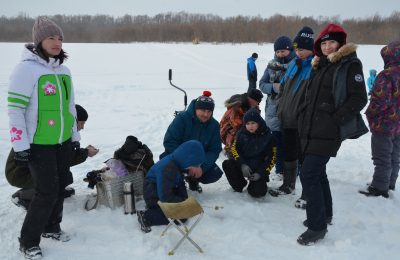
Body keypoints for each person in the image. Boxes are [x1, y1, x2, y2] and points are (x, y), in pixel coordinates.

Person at [7, 17, 81, 259]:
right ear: (38, 40)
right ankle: (28, 241)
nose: (57, 42)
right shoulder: (26, 70)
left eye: (59, 38)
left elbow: (70, 108)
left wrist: (74, 137)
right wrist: (20, 146)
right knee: (46, 191)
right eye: (51, 37)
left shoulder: (64, 71)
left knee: (60, 186)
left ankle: (52, 227)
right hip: (38, 143)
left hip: (61, 141)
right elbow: (15, 110)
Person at [296, 23, 368, 245]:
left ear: (341, 44)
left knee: (308, 174)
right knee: (318, 174)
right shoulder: (320, 66)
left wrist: (336, 119)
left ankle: (317, 227)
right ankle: (325, 214)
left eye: (332, 42)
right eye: (324, 43)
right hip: (311, 129)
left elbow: (359, 98)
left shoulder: (349, 65)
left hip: (328, 131)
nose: (327, 47)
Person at [6, 104, 99, 210]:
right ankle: (23, 196)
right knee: (58, 178)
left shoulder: (61, 129)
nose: (82, 127)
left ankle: (55, 192)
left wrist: (83, 151)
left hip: (32, 168)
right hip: (19, 173)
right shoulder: (53, 131)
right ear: (73, 120)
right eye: (81, 123)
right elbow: (64, 158)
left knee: (65, 175)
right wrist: (86, 152)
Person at [270, 27, 314, 204]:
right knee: (289, 153)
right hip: (286, 118)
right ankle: (288, 185)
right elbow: (282, 87)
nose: (299, 52)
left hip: (302, 121)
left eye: (302, 49)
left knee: (305, 158)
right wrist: (280, 106)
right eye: (297, 49)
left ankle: (307, 194)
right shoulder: (293, 65)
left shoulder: (314, 67)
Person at [160, 90, 223, 193]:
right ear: (196, 108)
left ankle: (193, 179)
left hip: (199, 162)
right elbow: (170, 142)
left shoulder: (214, 125)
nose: (206, 114)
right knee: (166, 167)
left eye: (209, 111)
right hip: (178, 157)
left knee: (213, 174)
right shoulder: (182, 118)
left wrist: (201, 167)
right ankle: (177, 182)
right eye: (203, 110)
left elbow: (214, 149)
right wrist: (188, 164)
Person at [137, 140, 205, 233]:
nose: (198, 167)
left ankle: (156, 209)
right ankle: (146, 217)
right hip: (152, 192)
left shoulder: (178, 163)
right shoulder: (168, 168)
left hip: (162, 189)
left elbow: (180, 184)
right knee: (181, 218)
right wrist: (182, 204)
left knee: (182, 210)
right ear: (189, 159)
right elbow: (165, 196)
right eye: (197, 165)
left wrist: (184, 199)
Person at [360, 41, 400, 198]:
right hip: (398, 124)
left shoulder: (386, 75)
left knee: (382, 156)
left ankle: (379, 188)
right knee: (395, 155)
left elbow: (379, 101)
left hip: (384, 124)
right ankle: (390, 183)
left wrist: (371, 114)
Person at [259, 36, 295, 178]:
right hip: (273, 111)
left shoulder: (296, 65)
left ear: (290, 50)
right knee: (277, 144)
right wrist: (274, 87)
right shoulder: (271, 65)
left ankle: (294, 170)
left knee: (291, 144)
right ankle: (280, 170)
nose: (280, 54)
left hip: (290, 110)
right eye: (278, 52)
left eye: (283, 51)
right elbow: (262, 84)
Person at [222, 108, 275, 198]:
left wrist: (260, 173)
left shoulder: (268, 135)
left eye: (253, 123)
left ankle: (254, 185)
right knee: (227, 164)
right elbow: (235, 150)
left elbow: (272, 158)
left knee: (257, 193)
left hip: (258, 168)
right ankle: (239, 184)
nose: (250, 126)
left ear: (259, 123)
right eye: (247, 123)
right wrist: (242, 164)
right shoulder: (241, 133)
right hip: (244, 165)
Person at [220, 88, 263, 158]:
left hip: (241, 128)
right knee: (239, 131)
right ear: (251, 99)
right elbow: (236, 123)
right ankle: (230, 150)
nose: (257, 104)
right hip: (227, 130)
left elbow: (258, 121)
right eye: (257, 101)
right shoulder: (236, 107)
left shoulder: (254, 107)